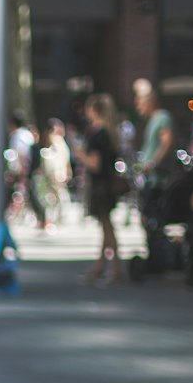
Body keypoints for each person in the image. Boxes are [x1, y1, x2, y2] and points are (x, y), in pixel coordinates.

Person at [78, 93, 124, 285]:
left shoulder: (98, 135)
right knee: (106, 227)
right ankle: (101, 267)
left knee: (106, 226)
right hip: (108, 184)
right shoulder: (110, 133)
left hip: (100, 185)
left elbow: (94, 164)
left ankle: (114, 269)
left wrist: (80, 155)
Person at [132, 79, 175, 187]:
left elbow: (167, 142)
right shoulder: (153, 119)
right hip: (148, 179)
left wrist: (152, 164)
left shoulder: (162, 117)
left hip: (157, 180)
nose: (138, 108)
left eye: (140, 103)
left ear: (149, 102)